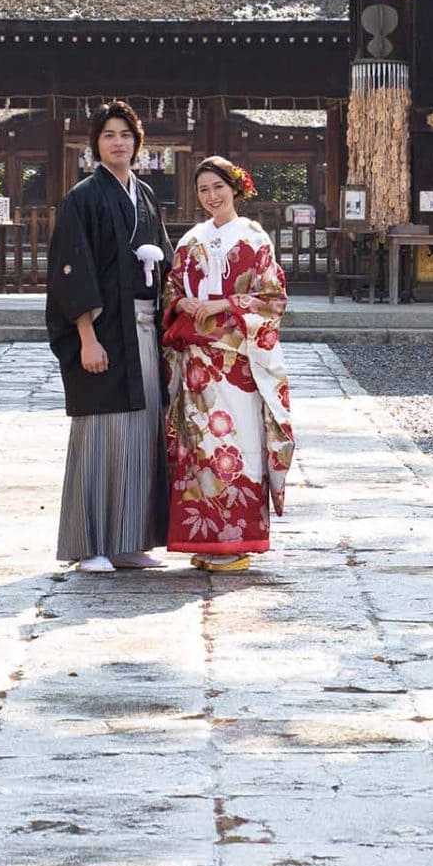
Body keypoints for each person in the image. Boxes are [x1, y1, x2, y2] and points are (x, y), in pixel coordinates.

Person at [45, 100, 169, 572]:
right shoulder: (83, 197)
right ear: (95, 144)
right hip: (100, 330)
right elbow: (69, 271)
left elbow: (167, 264)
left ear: (138, 143)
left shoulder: (145, 195)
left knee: (140, 433)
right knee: (100, 435)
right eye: (108, 135)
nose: (118, 142)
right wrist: (85, 338)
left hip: (142, 327)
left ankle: (128, 541)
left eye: (126, 134)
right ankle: (90, 545)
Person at [160, 156, 293, 572]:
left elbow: (272, 299)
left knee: (238, 446)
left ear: (235, 188)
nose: (211, 196)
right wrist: (184, 302)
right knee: (199, 447)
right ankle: (204, 541)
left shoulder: (255, 239)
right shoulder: (189, 241)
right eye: (203, 190)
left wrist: (223, 303)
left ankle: (239, 542)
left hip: (238, 361)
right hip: (198, 363)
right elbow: (170, 289)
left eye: (218, 187)